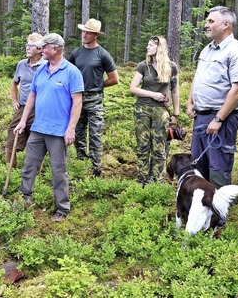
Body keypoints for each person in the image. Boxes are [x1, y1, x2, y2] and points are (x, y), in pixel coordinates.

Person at [14, 33, 84, 222]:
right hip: (38, 128)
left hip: (58, 131)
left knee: (58, 171)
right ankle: (25, 197)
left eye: (44, 47)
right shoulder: (42, 69)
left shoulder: (71, 72)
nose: (41, 50)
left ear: (55, 49)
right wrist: (23, 120)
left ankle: (62, 208)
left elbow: (77, 103)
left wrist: (71, 129)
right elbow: (32, 96)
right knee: (29, 165)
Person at [186, 6, 238, 188]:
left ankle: (218, 215)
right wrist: (190, 101)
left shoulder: (236, 51)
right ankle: (203, 211)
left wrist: (219, 118)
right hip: (201, 117)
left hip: (221, 119)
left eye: (211, 21)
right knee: (199, 166)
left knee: (218, 169)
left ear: (226, 25)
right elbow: (198, 77)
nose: (206, 25)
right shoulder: (207, 50)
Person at [67, 18, 118, 177]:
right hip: (78, 99)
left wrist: (98, 85)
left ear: (95, 35)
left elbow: (114, 79)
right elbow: (68, 73)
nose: (85, 34)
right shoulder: (76, 53)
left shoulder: (103, 54)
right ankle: (81, 165)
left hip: (95, 101)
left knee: (95, 135)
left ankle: (97, 169)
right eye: (84, 31)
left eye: (88, 32)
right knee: (79, 133)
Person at [129, 36, 180, 184]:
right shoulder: (143, 66)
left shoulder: (171, 67)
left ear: (159, 48)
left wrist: (176, 113)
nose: (148, 47)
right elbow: (133, 88)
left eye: (151, 45)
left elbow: (175, 91)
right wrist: (153, 95)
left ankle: (157, 180)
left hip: (161, 111)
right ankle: (142, 178)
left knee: (159, 147)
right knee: (143, 146)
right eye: (148, 44)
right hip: (142, 109)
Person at [4, 33, 46, 168]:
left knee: (36, 142)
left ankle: (35, 175)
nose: (27, 48)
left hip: (39, 109)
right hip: (22, 108)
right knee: (12, 137)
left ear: (40, 49)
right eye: (27, 45)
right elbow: (14, 83)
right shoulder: (21, 64)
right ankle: (11, 172)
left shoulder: (46, 65)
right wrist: (14, 100)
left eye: (31, 46)